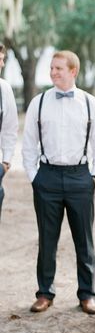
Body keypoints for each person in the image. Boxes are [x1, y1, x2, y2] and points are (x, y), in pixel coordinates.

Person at [23, 51, 95, 314]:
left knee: (84, 239)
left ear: (73, 71)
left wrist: (94, 176)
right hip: (47, 176)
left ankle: (87, 294)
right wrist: (34, 177)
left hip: (80, 177)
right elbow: (28, 145)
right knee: (47, 239)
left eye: (59, 68)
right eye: (52, 68)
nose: (53, 72)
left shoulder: (90, 103)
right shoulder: (39, 102)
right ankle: (44, 293)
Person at [0, 42, 18, 220]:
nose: (2, 64)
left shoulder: (3, 89)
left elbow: (10, 128)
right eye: (0, 60)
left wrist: (5, 162)